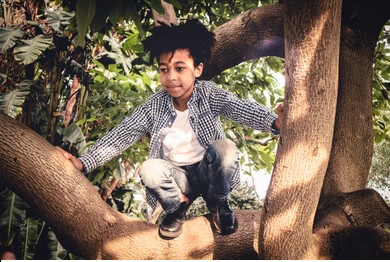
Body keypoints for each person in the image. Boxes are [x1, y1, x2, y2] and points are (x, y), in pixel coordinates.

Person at [57, 19, 283, 239]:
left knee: (226, 148)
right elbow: (123, 134)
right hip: (179, 179)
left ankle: (218, 202)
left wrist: (275, 122)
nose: (171, 77)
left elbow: (239, 108)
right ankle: (177, 207)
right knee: (149, 169)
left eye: (180, 68)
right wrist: (84, 162)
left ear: (197, 69)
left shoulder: (209, 94)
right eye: (164, 69)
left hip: (209, 172)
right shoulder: (154, 105)